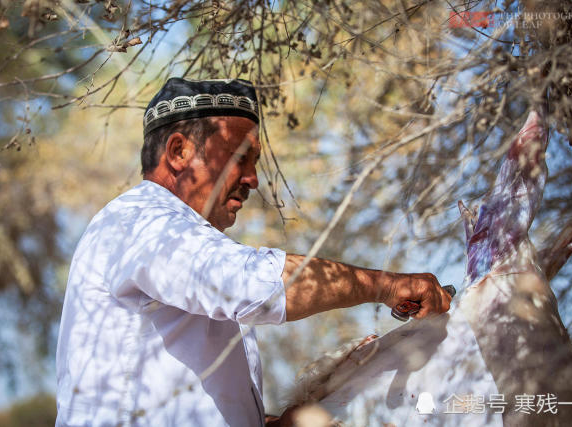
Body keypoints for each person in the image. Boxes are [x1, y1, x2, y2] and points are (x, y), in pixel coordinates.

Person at [55, 78, 452, 426]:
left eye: (255, 163)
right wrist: (386, 285)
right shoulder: (142, 221)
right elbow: (259, 286)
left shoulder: (181, 244)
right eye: (239, 158)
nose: (253, 179)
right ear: (178, 152)